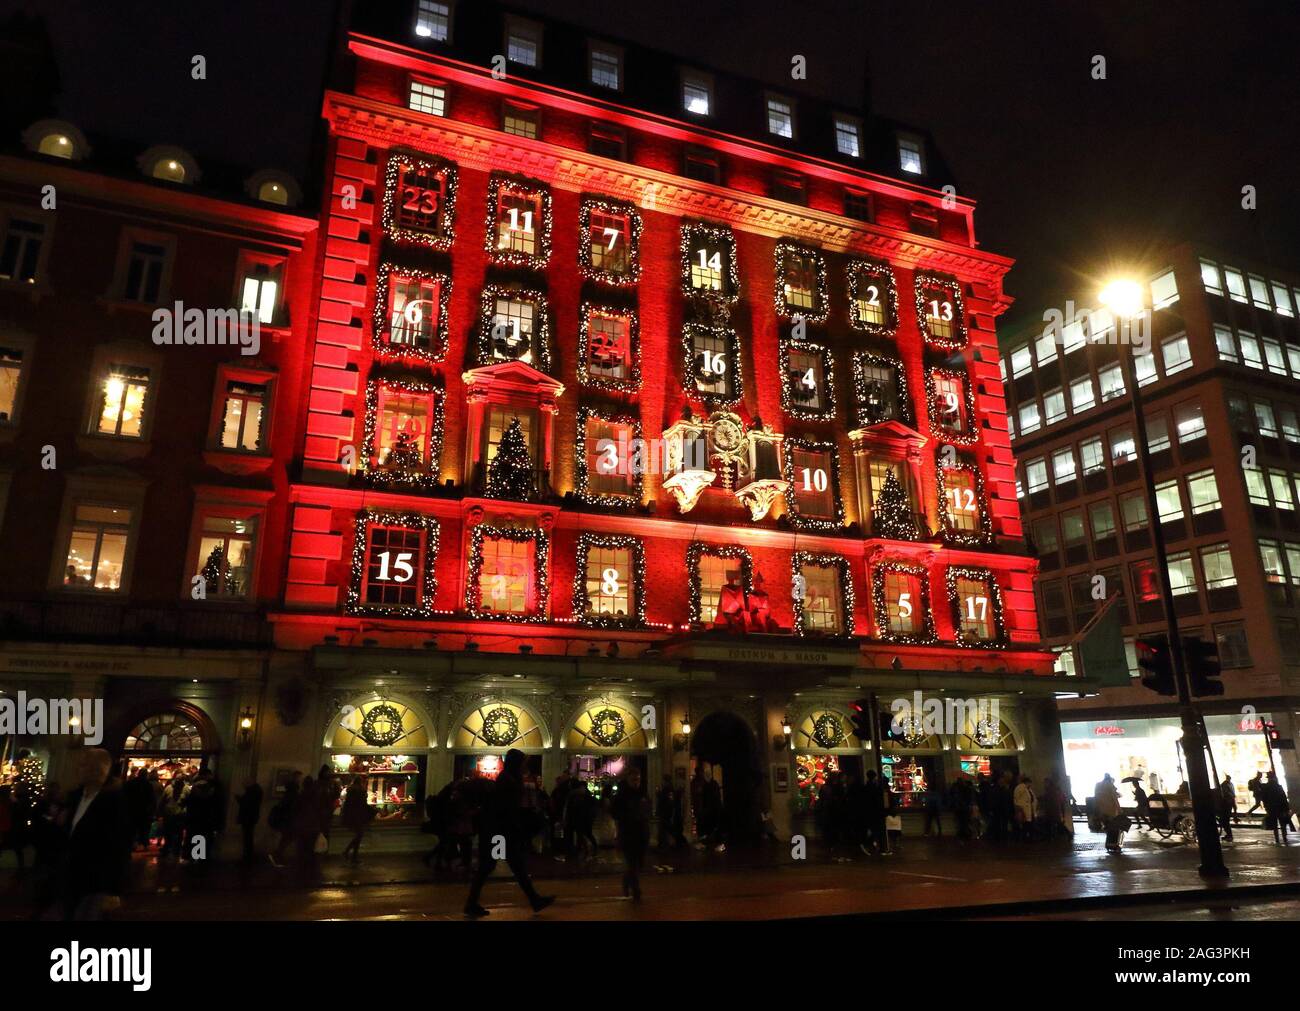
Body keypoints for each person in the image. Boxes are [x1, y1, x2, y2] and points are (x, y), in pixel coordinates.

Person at [464, 749, 555, 918]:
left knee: (504, 866)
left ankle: (534, 900)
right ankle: (471, 904)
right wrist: (516, 828)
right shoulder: (509, 781)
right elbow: (507, 809)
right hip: (500, 832)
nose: (524, 767)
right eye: (523, 763)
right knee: (494, 866)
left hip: (498, 830)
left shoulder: (507, 778)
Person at [48, 748, 131, 920]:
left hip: (95, 880)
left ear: (96, 769)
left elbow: (119, 847)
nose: (77, 769)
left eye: (83, 765)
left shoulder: (114, 802)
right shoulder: (76, 796)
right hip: (69, 876)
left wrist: (112, 890)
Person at [611, 767, 651, 900]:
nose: (636, 782)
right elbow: (615, 814)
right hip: (628, 833)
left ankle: (627, 880)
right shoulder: (622, 796)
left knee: (639, 863)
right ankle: (636, 890)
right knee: (632, 862)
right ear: (628, 779)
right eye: (634, 779)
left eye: (638, 779)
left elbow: (647, 812)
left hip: (641, 833)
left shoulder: (642, 794)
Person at [267, 771, 300, 867]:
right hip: (289, 819)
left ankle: (278, 855)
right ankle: (277, 855)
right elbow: (292, 807)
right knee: (288, 838)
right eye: (299, 778)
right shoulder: (293, 793)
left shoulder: (289, 792)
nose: (300, 781)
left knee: (286, 838)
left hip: (287, 819)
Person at [340, 777, 374, 862]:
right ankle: (350, 853)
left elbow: (347, 804)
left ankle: (351, 854)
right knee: (359, 834)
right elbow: (363, 803)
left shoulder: (350, 790)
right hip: (358, 815)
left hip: (351, 815)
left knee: (358, 835)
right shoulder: (361, 791)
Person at [1094, 773, 1124, 853]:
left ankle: (1109, 844)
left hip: (1101, 810)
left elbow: (1096, 797)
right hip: (1111, 810)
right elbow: (1115, 799)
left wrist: (1097, 809)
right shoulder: (1110, 785)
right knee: (1113, 828)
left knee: (1108, 827)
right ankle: (1113, 844)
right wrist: (1119, 809)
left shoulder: (1097, 785)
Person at [236, 777, 263, 864]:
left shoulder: (252, 791)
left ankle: (247, 858)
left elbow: (246, 803)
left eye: (245, 783)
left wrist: (239, 799)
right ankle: (248, 857)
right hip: (251, 817)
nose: (243, 785)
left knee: (247, 837)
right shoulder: (256, 790)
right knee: (248, 837)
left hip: (248, 817)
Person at [655, 774, 685, 849]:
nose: (662, 782)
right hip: (665, 813)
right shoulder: (667, 790)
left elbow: (668, 802)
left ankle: (666, 844)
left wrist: (658, 794)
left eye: (664, 781)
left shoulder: (668, 790)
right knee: (666, 829)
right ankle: (664, 844)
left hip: (666, 814)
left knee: (666, 829)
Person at [1262, 772, 1291, 844]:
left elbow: (1264, 799)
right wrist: (1287, 808)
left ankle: (1277, 839)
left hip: (1271, 808)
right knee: (1282, 824)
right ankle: (1284, 838)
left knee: (1274, 825)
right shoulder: (1278, 786)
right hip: (1281, 808)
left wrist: (1266, 808)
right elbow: (1283, 798)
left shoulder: (1266, 787)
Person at [1013, 776, 1037, 840]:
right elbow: (1017, 799)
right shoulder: (1021, 788)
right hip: (1025, 810)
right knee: (1026, 825)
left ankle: (1029, 837)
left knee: (1029, 824)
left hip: (1029, 809)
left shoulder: (1028, 789)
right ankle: (1027, 837)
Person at [1217, 775, 1236, 841]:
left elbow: (1223, 795)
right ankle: (1229, 835)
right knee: (1226, 821)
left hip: (1226, 805)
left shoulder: (1224, 785)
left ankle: (1229, 835)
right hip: (1229, 804)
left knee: (1224, 821)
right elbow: (1233, 795)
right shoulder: (1230, 784)